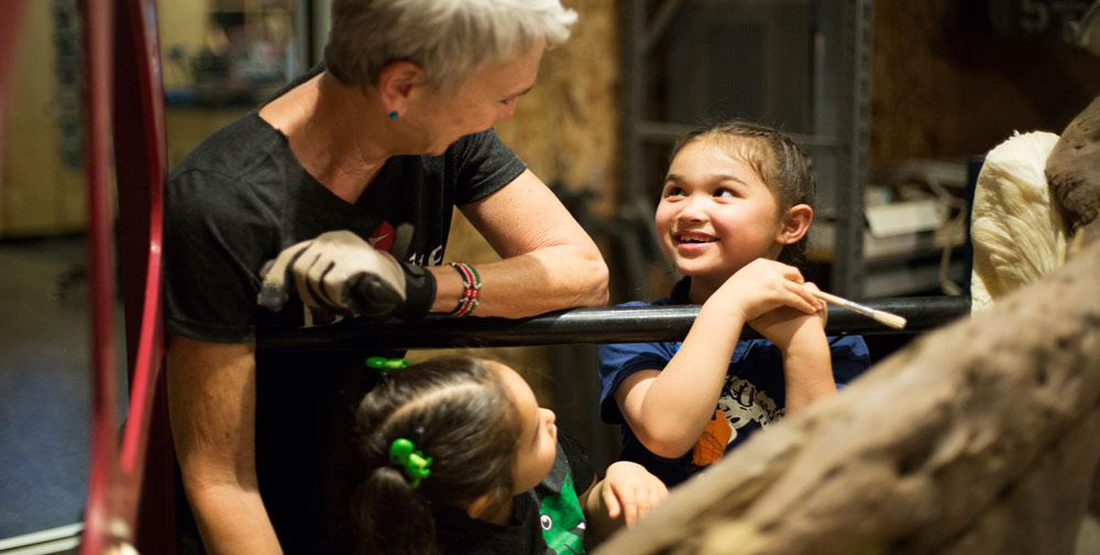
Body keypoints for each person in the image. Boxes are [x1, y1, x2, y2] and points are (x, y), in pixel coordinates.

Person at [164, 1, 609, 553]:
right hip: (269, 513)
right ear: (402, 87)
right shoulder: (224, 204)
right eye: (503, 97)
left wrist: (416, 287)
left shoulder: (441, 134)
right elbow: (222, 482)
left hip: (378, 494)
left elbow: (581, 271)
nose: (508, 114)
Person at [598, 121, 870, 488]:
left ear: (790, 224)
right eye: (676, 190)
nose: (690, 210)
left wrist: (803, 344)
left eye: (722, 192)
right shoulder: (637, 327)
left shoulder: (835, 337)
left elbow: (823, 475)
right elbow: (665, 434)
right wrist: (728, 306)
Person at [341, 356, 668, 555]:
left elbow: (585, 510)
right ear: (483, 499)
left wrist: (621, 478)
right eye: (534, 434)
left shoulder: (552, 456)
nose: (549, 415)